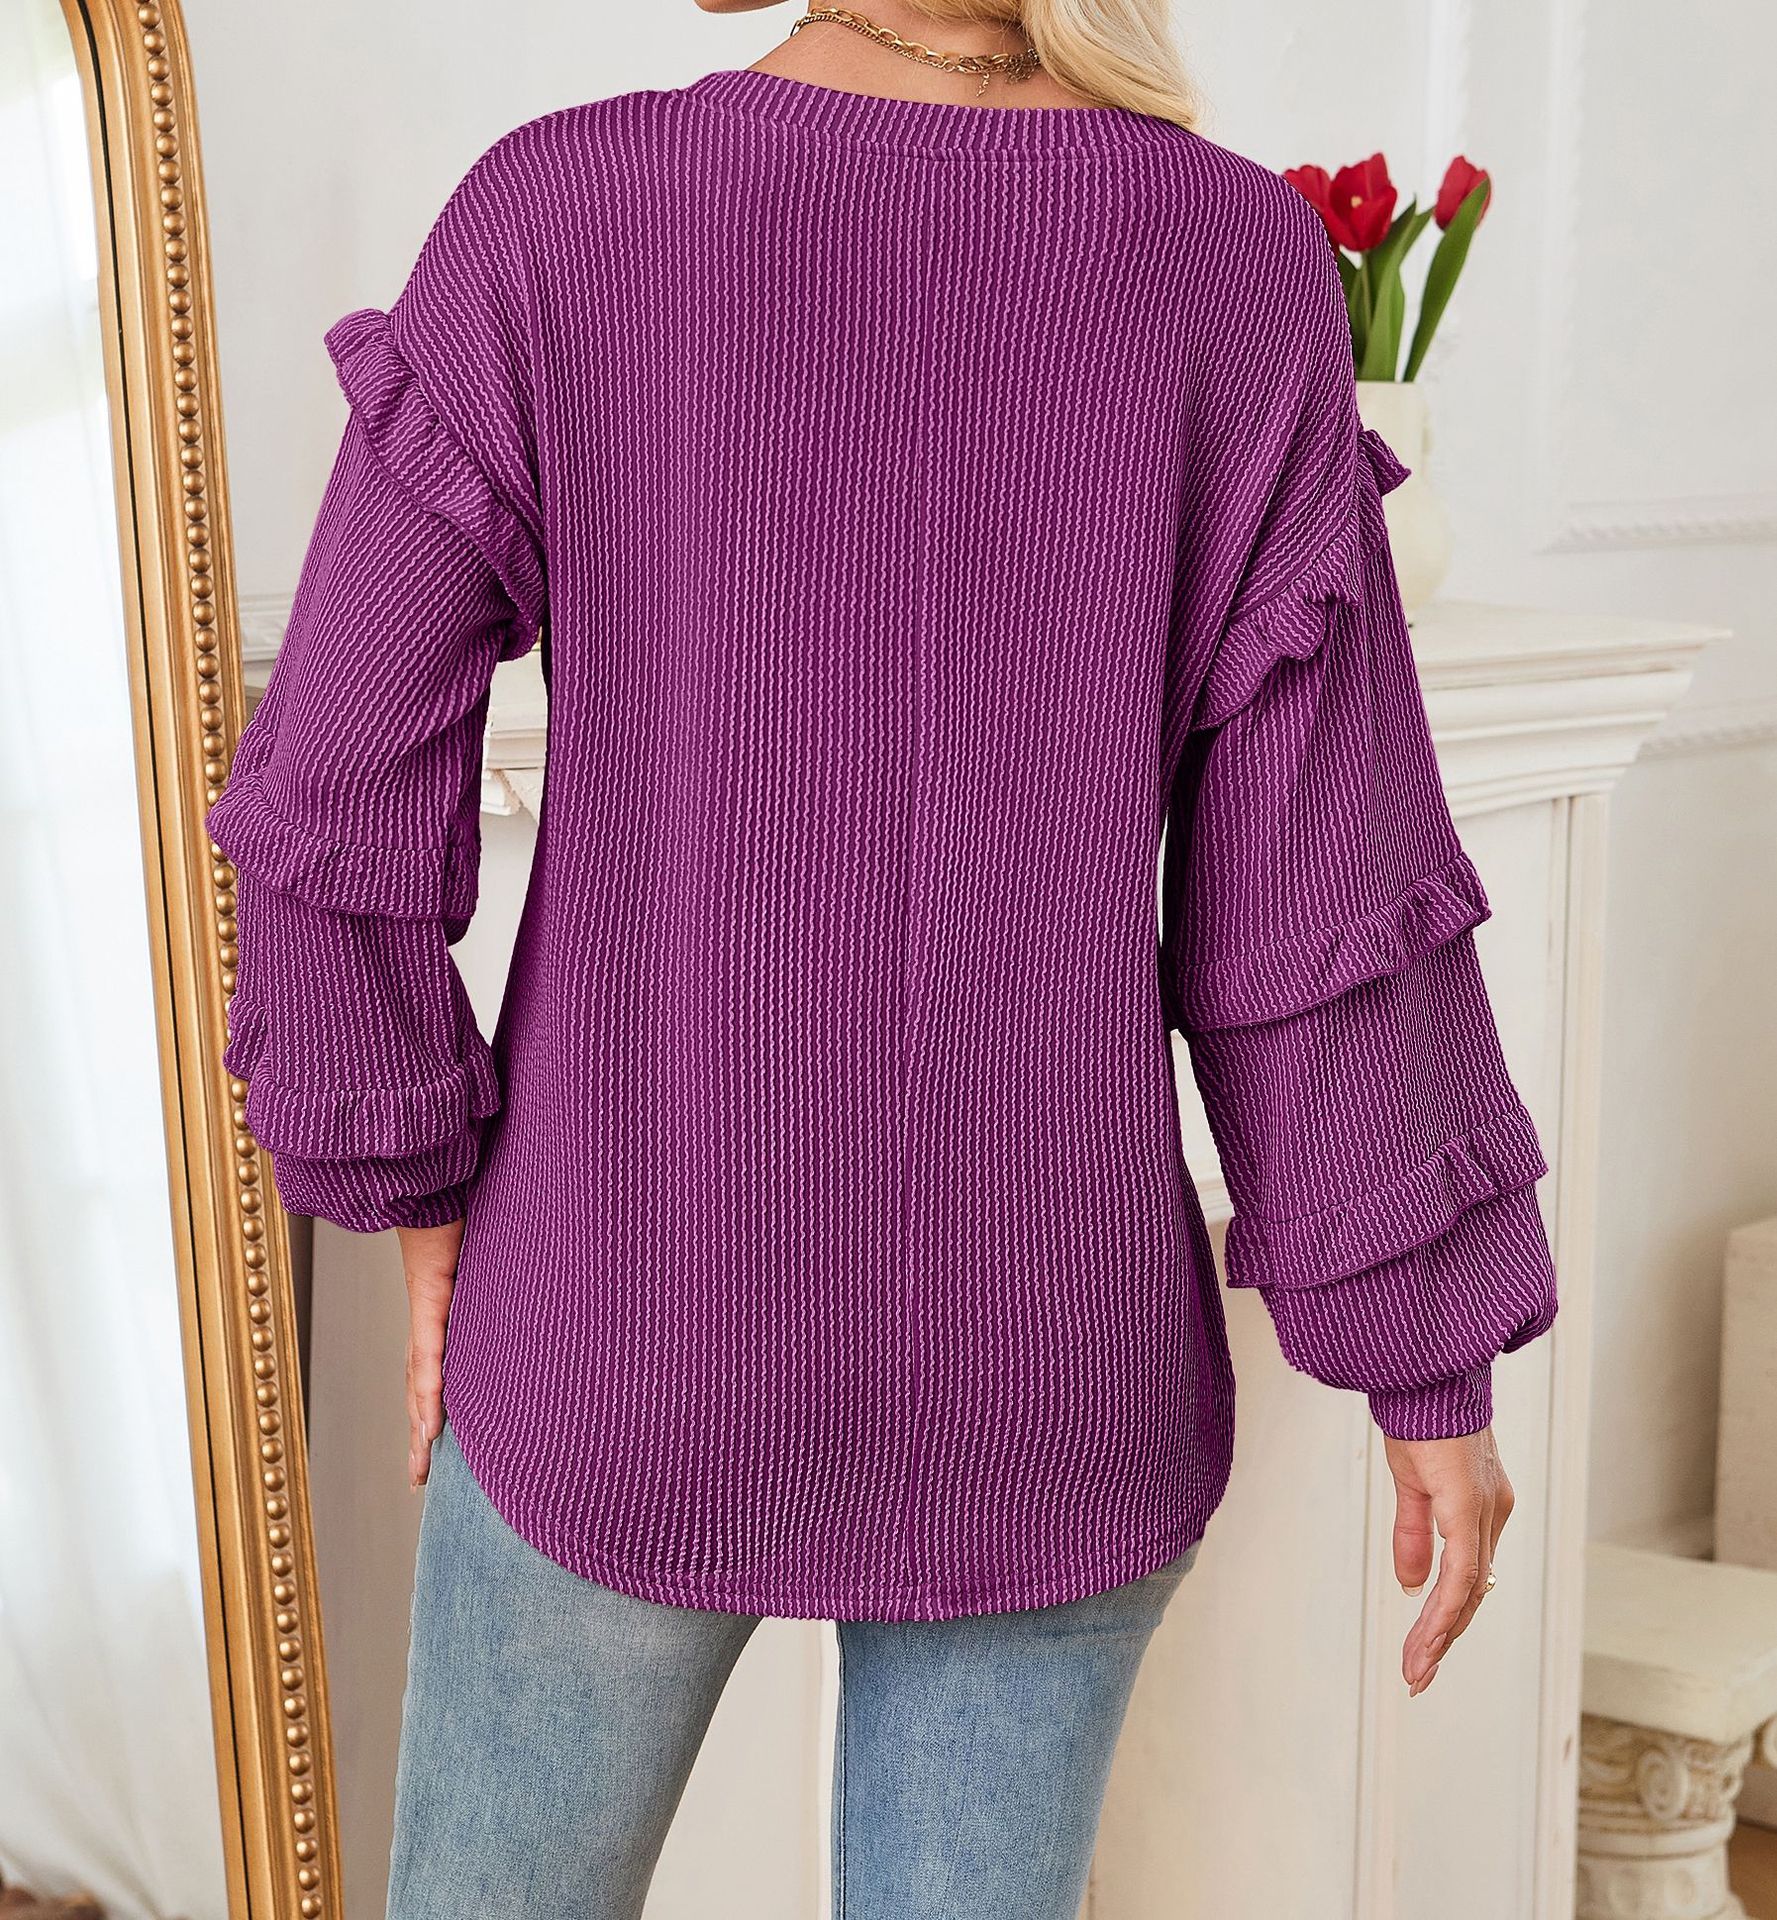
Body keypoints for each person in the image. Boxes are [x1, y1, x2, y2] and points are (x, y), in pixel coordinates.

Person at [205, 2, 1559, 1914]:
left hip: (617, 1325)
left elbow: (334, 770)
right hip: (1053, 1356)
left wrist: (417, 1188)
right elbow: (1316, 874)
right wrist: (1429, 1367)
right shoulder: (1233, 257)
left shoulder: (561, 212)